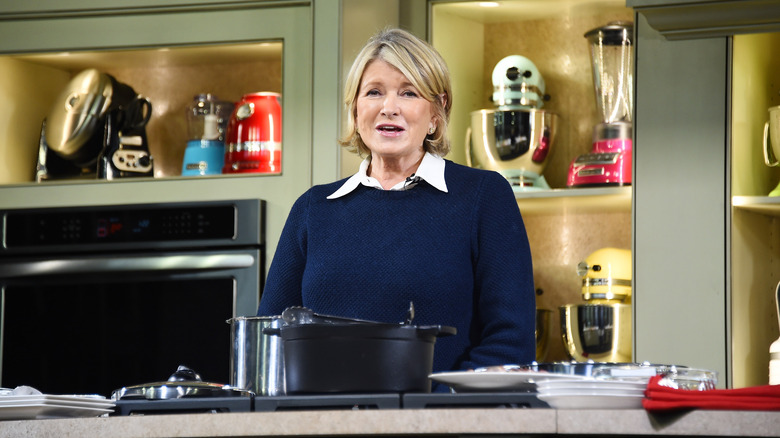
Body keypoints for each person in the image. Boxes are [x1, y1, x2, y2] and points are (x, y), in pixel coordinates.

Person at [257, 28, 536, 384]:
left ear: (437, 111)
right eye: (374, 92)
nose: (389, 108)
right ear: (356, 109)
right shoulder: (313, 209)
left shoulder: (483, 197)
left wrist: (432, 407)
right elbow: (269, 340)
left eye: (409, 92)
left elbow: (510, 343)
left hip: (441, 426)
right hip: (326, 424)